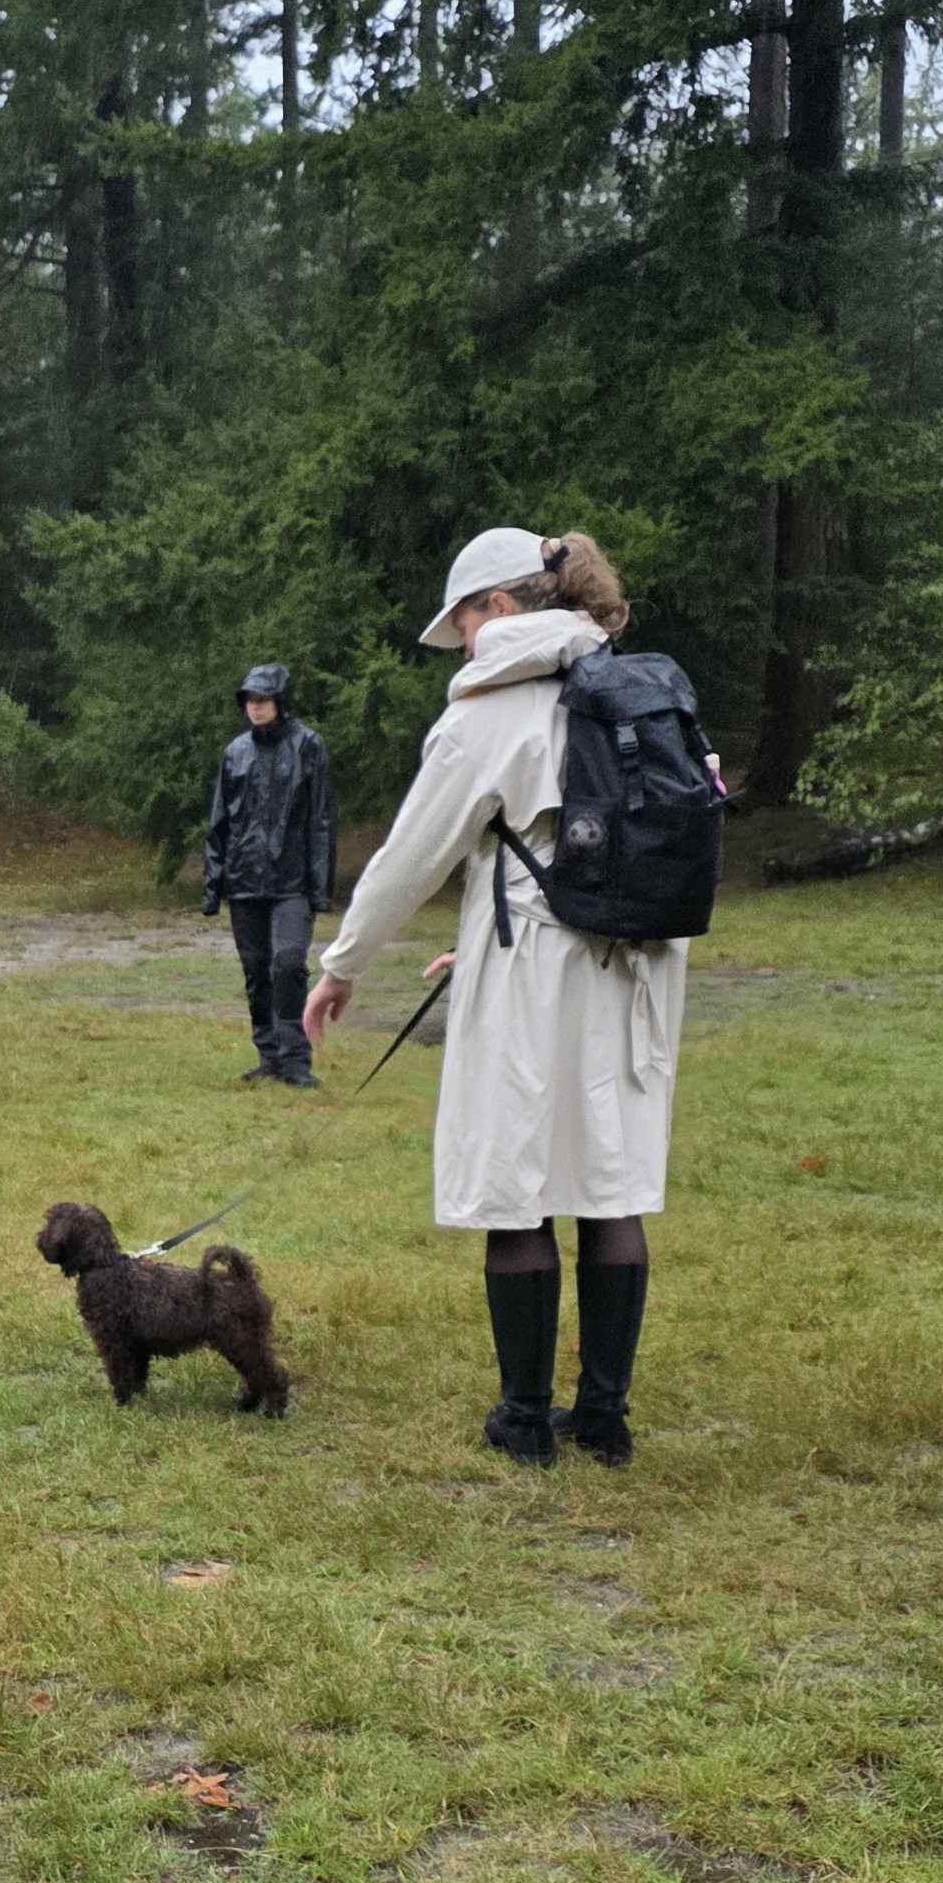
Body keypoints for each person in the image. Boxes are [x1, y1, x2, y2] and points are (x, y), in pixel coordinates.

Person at [300, 529, 680, 1468]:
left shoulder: (490, 712)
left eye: (465, 619)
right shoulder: (635, 688)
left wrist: (341, 963)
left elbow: (408, 857)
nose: (463, 641)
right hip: (632, 965)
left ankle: (524, 1418)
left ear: (502, 609)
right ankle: (605, 1417)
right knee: (608, 1185)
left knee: (516, 1187)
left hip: (537, 975)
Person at [197, 661, 336, 1089]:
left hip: (291, 882)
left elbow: (321, 821)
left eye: (262, 699)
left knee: (288, 963)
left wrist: (319, 889)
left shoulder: (309, 747)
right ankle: (269, 1055)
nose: (254, 708)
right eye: (249, 700)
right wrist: (212, 884)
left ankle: (296, 1059)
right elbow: (220, 821)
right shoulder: (235, 752)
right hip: (243, 881)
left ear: (279, 701)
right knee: (256, 970)